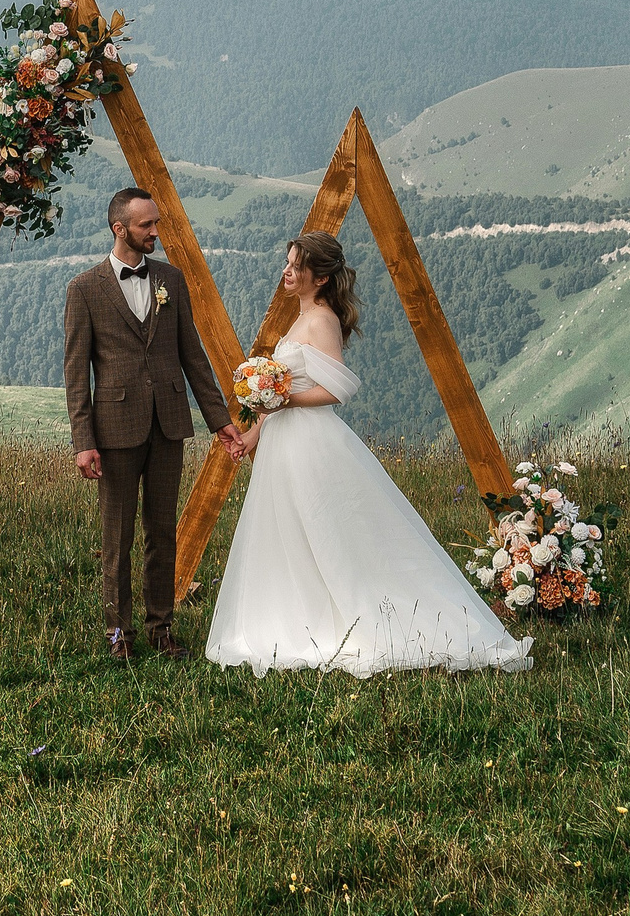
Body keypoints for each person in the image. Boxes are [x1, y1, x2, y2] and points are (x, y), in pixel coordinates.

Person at [205, 230, 534, 678]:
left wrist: (283, 400)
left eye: (296, 265)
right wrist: (252, 435)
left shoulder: (321, 319)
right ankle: (300, 615)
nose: (287, 271)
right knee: (289, 532)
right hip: (283, 440)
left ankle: (369, 618)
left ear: (318, 279)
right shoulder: (299, 317)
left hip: (310, 442)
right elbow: (281, 394)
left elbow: (338, 388)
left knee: (327, 530)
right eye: (287, 262)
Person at [64, 186, 242, 661]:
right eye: (147, 225)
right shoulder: (84, 288)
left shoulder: (171, 280)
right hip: (114, 430)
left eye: (157, 223)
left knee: (163, 533)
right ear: (119, 228)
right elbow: (76, 373)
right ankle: (118, 634)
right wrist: (84, 440)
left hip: (169, 424)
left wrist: (219, 420)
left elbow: (192, 355)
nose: (156, 232)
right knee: (117, 537)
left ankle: (162, 629)